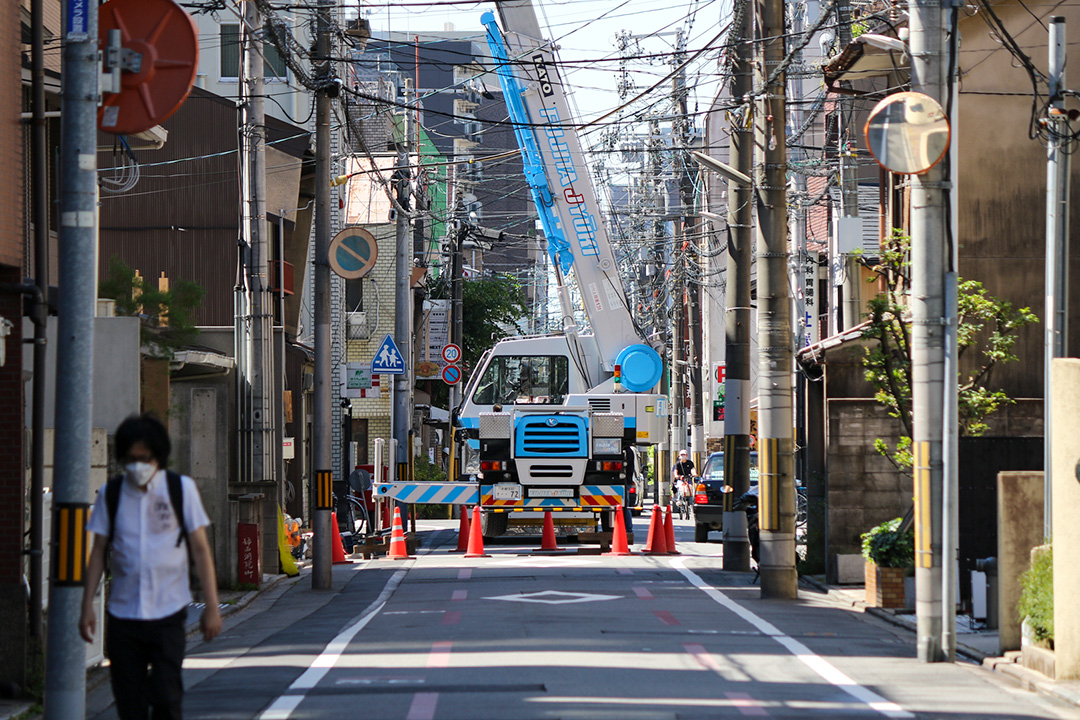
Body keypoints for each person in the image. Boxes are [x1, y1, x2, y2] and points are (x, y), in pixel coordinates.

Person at [80, 414, 222, 720]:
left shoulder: (180, 490)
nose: (137, 465)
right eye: (130, 459)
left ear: (157, 457)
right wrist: (87, 605)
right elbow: (99, 551)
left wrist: (212, 606)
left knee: (166, 698)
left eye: (143, 458)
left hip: (168, 614)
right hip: (123, 615)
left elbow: (200, 548)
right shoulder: (112, 494)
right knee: (129, 703)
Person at [672, 450, 695, 518]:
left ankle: (691, 503)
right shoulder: (678, 464)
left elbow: (693, 470)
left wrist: (694, 474)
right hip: (680, 479)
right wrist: (677, 476)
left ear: (687, 455)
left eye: (684, 454)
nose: (683, 456)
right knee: (680, 487)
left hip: (688, 478)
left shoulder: (690, 463)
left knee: (690, 487)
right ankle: (679, 500)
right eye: (681, 455)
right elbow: (675, 472)